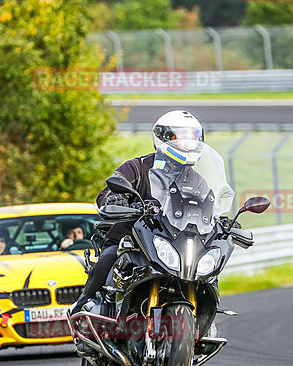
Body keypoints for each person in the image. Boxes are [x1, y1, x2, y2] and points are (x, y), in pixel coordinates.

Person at [70, 110, 205, 315]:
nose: (188, 144)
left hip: (175, 243)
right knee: (109, 258)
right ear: (164, 138)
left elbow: (208, 204)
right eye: (182, 138)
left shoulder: (196, 180)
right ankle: (82, 308)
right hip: (132, 239)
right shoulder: (137, 167)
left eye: (193, 137)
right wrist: (114, 199)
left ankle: (205, 320)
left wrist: (221, 219)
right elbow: (106, 193)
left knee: (207, 273)